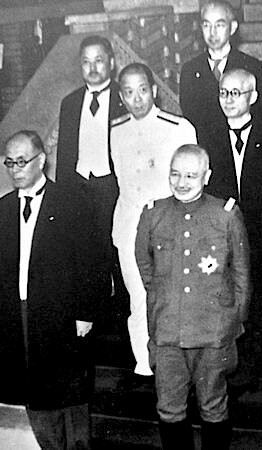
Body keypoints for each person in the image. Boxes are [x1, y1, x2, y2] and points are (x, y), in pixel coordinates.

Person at [0, 131, 105, 449]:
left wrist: (85, 312)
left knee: (69, 392)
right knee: (33, 391)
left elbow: (90, 260)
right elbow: (1, 268)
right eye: (10, 162)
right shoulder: (4, 207)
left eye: (22, 161)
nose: (15, 169)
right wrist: (0, 317)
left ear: (41, 160)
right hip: (21, 313)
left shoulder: (70, 202)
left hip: (62, 314)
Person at [135, 144, 250, 450]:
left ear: (207, 176)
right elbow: (145, 266)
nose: (182, 182)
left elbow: (241, 274)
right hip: (168, 331)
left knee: (213, 405)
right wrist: (164, 298)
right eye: (175, 174)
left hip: (213, 332)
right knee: (170, 407)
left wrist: (232, 322)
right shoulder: (153, 214)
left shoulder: (225, 215)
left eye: (191, 175)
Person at [198, 68, 262, 407]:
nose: (228, 100)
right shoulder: (208, 138)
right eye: (223, 93)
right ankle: (241, 373)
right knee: (234, 304)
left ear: (253, 97)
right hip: (226, 238)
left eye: (236, 93)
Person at [110, 63, 197, 378]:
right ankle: (146, 365)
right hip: (129, 226)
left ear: (155, 90)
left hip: (167, 225)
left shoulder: (178, 128)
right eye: (129, 92)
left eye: (143, 90)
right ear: (121, 96)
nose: (137, 99)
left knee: (174, 296)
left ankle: (179, 363)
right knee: (139, 298)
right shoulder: (115, 132)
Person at [56, 35, 126, 313]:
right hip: (80, 190)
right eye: (86, 62)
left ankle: (124, 327)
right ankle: (94, 327)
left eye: (99, 60)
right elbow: (64, 154)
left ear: (111, 61)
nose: (93, 67)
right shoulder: (70, 103)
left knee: (118, 258)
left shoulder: (124, 97)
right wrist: (63, 196)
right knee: (86, 261)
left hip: (113, 189)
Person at [179, 0, 262, 137]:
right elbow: (190, 117)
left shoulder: (250, 66)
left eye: (219, 25)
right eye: (206, 25)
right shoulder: (190, 70)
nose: (212, 32)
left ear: (232, 28)